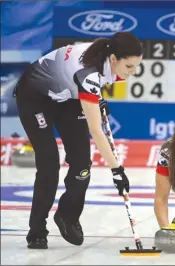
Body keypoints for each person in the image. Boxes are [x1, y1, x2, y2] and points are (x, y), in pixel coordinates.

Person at [14, 31, 142, 249]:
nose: (133, 72)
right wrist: (117, 170)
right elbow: (96, 130)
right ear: (113, 59)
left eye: (137, 66)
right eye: (129, 66)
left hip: (66, 98)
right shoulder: (90, 72)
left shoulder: (105, 55)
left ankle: (67, 215)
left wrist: (97, 98)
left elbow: (85, 83)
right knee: (49, 163)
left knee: (82, 162)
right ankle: (37, 230)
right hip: (34, 96)